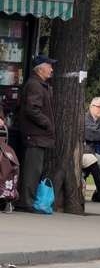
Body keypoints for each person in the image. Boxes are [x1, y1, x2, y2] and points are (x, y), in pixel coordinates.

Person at [16, 54, 56, 212]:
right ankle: (26, 201)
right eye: (49, 66)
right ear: (41, 69)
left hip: (38, 135)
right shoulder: (35, 85)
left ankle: (28, 200)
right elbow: (32, 109)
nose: (52, 69)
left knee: (35, 168)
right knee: (32, 169)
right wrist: (46, 123)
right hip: (35, 134)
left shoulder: (40, 84)